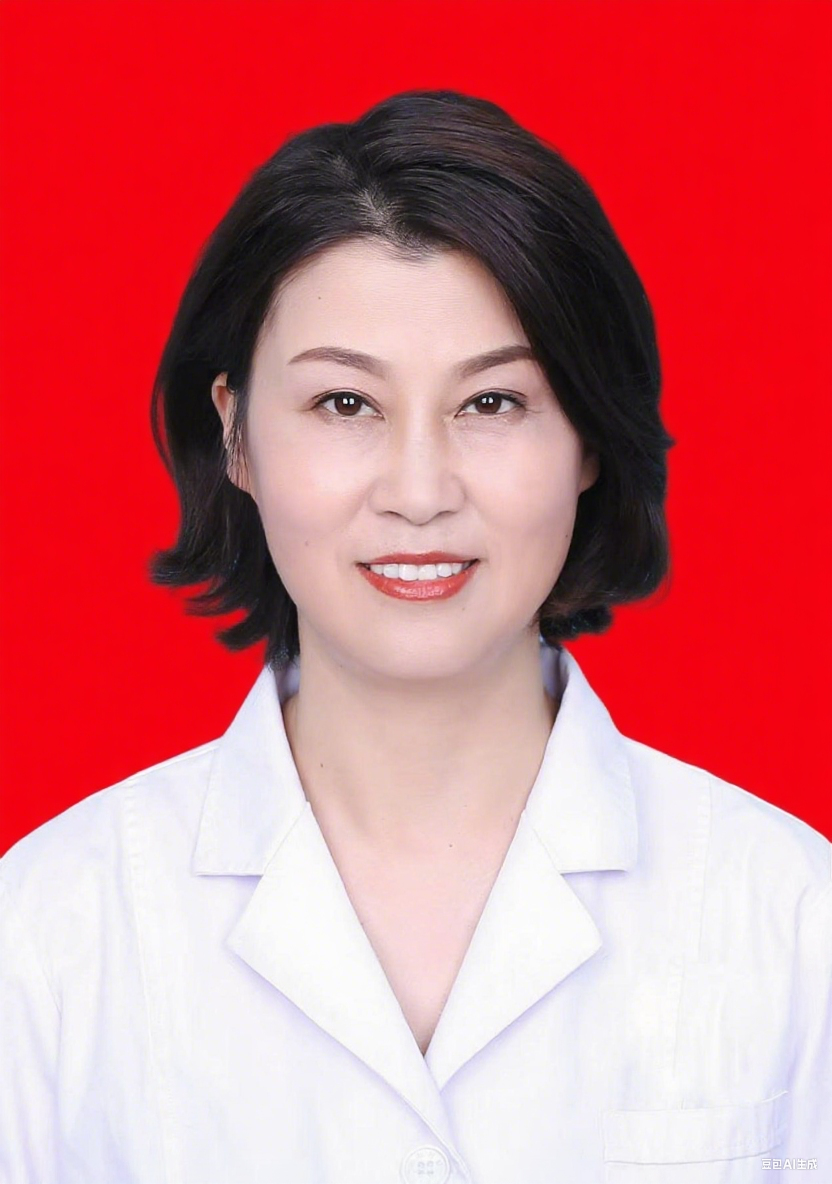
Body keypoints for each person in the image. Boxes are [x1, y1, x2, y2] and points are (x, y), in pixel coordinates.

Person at [1, 89, 829, 1184]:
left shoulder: (792, 916)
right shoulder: (50, 931)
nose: (421, 490)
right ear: (236, 434)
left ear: (588, 437)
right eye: (346, 404)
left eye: (492, 404)